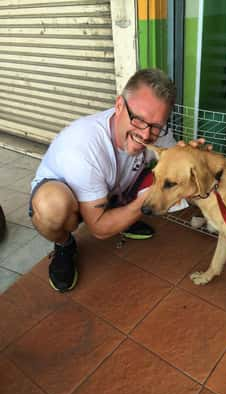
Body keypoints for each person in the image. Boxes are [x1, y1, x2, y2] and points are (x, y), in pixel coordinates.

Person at [29, 68, 200, 293]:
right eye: (138, 120)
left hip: (115, 189)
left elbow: (178, 165)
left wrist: (197, 159)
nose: (146, 135)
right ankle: (64, 245)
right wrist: (148, 201)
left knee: (166, 172)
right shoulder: (83, 145)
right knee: (52, 208)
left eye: (156, 126)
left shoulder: (157, 132)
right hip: (71, 201)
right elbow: (98, 228)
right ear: (119, 106)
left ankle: (123, 216)